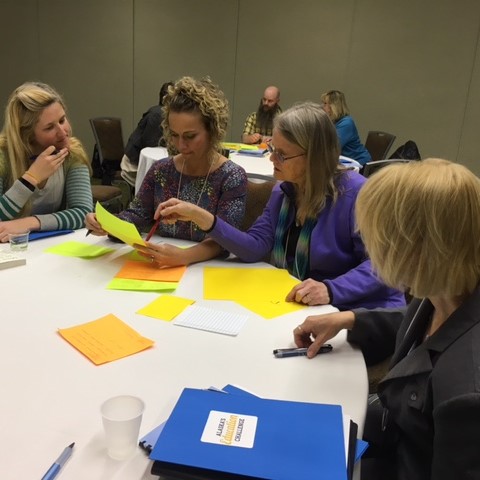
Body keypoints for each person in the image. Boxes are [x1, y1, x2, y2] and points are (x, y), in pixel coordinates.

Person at [294, 158, 480, 480]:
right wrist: (350, 319)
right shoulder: (445, 287)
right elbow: (419, 328)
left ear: (419, 249)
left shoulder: (466, 395)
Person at [156, 102, 405, 310]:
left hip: (358, 312)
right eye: (273, 149)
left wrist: (331, 289)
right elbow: (254, 247)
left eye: (282, 154)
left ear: (314, 157)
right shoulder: (284, 190)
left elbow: (384, 265)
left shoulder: (358, 194)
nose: (272, 159)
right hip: (303, 307)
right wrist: (204, 219)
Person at [85, 76, 247, 267]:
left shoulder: (231, 176)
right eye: (174, 135)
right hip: (164, 264)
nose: (180, 145)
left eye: (190, 136)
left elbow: (224, 240)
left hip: (208, 272)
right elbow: (137, 215)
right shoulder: (161, 170)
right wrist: (106, 223)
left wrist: (184, 256)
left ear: (213, 131)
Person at [0, 82, 93, 242]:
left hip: (49, 247)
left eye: (62, 120)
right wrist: (30, 178)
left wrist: (30, 223)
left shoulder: (72, 152)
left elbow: (82, 213)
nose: (63, 132)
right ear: (26, 135)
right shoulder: (3, 157)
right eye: (49, 128)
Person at [120, 81, 174, 187]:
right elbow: (150, 145)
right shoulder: (158, 115)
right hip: (133, 165)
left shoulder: (159, 112)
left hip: (139, 161)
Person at [321, 90, 371, 166]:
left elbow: (332, 148)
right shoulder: (334, 121)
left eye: (325, 104)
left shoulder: (346, 123)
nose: (322, 106)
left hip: (358, 163)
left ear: (333, 106)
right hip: (345, 161)